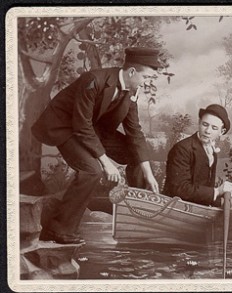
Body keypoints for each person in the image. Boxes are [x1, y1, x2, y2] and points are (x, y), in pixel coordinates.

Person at [32, 47, 161, 244]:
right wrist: (106, 163)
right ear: (132, 72)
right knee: (91, 171)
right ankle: (58, 229)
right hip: (64, 126)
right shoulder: (93, 80)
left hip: (93, 129)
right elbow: (81, 126)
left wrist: (149, 174)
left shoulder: (133, 91)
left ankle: (139, 212)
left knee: (138, 155)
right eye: (147, 77)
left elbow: (135, 133)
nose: (148, 83)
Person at [164, 104, 232, 206]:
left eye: (214, 128)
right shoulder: (182, 149)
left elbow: (205, 188)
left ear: (221, 132)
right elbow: (179, 188)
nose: (207, 131)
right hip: (174, 209)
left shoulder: (212, 151)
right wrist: (217, 192)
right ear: (199, 123)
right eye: (205, 124)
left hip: (198, 209)